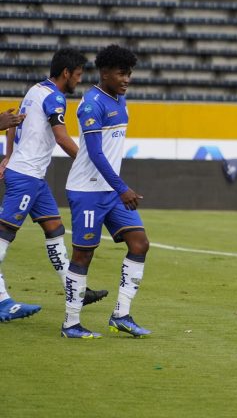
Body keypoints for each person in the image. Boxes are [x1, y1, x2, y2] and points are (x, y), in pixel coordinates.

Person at [0, 48, 107, 323]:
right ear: (66, 73)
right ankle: (2, 301)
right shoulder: (55, 97)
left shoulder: (35, 90)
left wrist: (9, 154)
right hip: (25, 177)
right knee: (3, 236)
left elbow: (13, 120)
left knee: (55, 229)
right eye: (78, 75)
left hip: (33, 177)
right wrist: (90, 161)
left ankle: (75, 291)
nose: (79, 81)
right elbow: (61, 137)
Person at [61, 45, 151, 338]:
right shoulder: (91, 104)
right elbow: (96, 155)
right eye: (121, 73)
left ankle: (121, 315)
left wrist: (117, 189)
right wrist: (122, 187)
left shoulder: (120, 99)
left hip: (109, 191)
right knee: (83, 255)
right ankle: (70, 324)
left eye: (129, 73)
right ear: (104, 72)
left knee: (139, 244)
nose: (127, 79)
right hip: (87, 190)